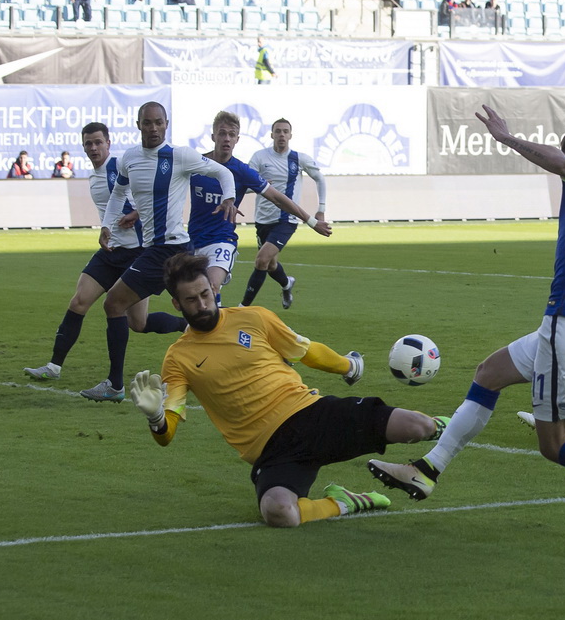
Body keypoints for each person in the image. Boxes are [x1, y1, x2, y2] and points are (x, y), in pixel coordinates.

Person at [368, 106, 565, 553]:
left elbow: (561, 164)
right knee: (489, 373)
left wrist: (507, 138)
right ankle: (427, 468)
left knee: (556, 444)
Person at [128, 253, 450, 527]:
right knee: (279, 512)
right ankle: (346, 502)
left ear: (213, 288)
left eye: (204, 294)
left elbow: (304, 351)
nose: (201, 305)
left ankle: (455, 426)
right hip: (271, 451)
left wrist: (347, 366)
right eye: (190, 300)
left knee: (417, 427)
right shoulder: (178, 358)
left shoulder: (254, 318)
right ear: (176, 303)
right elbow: (167, 432)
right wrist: (157, 417)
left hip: (310, 414)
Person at [79, 101, 237, 403]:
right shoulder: (130, 159)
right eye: (147, 123)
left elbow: (222, 172)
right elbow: (118, 194)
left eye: (158, 123)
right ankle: (234, 353)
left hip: (169, 248)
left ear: (166, 124)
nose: (153, 128)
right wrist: (106, 226)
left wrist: (228, 198)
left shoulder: (179, 156)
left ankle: (114, 385)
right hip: (156, 250)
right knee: (148, 320)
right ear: (139, 125)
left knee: (113, 305)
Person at [23, 123, 187, 382]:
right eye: (88, 143)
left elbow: (148, 200)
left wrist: (133, 215)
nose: (93, 148)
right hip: (110, 254)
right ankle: (54, 366)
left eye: (98, 142)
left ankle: (184, 325)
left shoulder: (118, 168)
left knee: (139, 323)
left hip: (136, 254)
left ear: (108, 143)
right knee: (78, 302)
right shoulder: (93, 175)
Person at [188, 110, 332, 307]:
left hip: (222, 240)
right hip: (194, 240)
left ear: (237, 139)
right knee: (195, 299)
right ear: (213, 136)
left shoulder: (241, 170)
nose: (226, 139)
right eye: (222, 133)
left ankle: (241, 308)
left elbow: (278, 198)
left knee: (211, 287)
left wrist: (312, 221)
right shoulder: (194, 165)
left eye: (231, 135)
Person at [240, 118, 326, 310]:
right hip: (263, 219)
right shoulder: (260, 157)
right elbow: (243, 184)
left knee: (261, 259)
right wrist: (258, 185)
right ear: (272, 135)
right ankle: (287, 284)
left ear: (290, 135)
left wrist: (321, 208)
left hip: (287, 219)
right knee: (270, 265)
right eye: (278, 131)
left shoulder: (298, 159)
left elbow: (320, 179)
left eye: (285, 131)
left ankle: (241, 308)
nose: (281, 135)